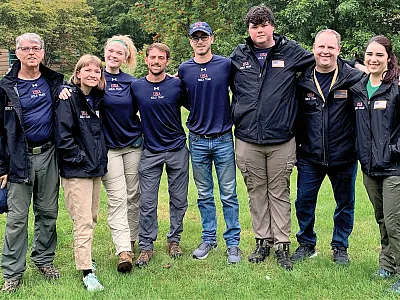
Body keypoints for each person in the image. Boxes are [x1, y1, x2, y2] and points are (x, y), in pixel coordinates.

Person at [230, 5, 314, 270]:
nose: (260, 30)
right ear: (249, 30)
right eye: (254, 26)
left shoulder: (291, 52)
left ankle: (282, 245)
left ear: (272, 26)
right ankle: (262, 242)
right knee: (256, 192)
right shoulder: (239, 55)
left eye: (264, 25)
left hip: (281, 139)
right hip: (247, 139)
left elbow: (325, 63)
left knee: (279, 192)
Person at [59, 35, 142, 273]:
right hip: (108, 149)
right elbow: (76, 90)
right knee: (117, 198)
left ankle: (132, 241)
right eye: (111, 51)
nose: (114, 55)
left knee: (133, 197)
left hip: (133, 146)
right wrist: (63, 88)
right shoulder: (96, 78)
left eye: (120, 53)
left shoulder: (131, 82)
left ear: (126, 57)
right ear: (105, 52)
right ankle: (123, 250)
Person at [291, 29, 363, 265]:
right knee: (303, 202)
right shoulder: (301, 80)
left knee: (345, 204)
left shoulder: (353, 78)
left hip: (344, 155)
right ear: (313, 48)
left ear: (338, 50)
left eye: (331, 47)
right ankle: (306, 243)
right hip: (309, 155)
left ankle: (340, 247)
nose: (325, 51)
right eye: (321, 46)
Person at [0, 33, 63, 292]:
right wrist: (1, 167)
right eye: (25, 49)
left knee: (48, 212)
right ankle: (12, 273)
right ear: (17, 53)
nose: (31, 53)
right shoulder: (5, 87)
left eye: (35, 48)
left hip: (48, 155)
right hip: (18, 159)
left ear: (43, 52)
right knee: (16, 218)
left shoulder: (53, 82)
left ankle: (44, 259)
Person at [178, 22, 241, 264]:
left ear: (212, 39)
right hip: (198, 140)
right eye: (196, 38)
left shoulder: (225, 65)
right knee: (204, 194)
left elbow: (240, 91)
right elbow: (182, 97)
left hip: (224, 137)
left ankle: (233, 244)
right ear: (191, 41)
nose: (200, 41)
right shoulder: (184, 69)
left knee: (228, 194)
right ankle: (208, 238)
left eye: (204, 37)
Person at [350, 35, 400, 293]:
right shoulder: (359, 88)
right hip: (369, 167)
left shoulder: (396, 87)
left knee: (394, 221)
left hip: (394, 168)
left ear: (389, 58)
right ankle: (387, 265)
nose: (373, 59)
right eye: (370, 54)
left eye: (380, 55)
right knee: (381, 218)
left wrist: (394, 150)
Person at [132, 43, 189, 267]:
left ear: (167, 61)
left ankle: (174, 240)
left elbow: (195, 106)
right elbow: (126, 115)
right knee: (147, 201)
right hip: (150, 151)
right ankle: (146, 246)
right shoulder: (136, 87)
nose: (156, 61)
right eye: (152, 57)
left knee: (179, 200)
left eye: (161, 58)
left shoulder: (177, 85)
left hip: (177, 149)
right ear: (146, 60)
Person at [56, 55, 107, 291]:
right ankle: (87, 271)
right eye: (87, 70)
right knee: (83, 220)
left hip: (95, 168)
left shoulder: (96, 99)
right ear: (77, 74)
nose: (92, 74)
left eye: (97, 71)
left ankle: (85, 257)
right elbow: (64, 138)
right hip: (77, 171)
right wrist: (82, 159)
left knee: (92, 217)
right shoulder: (68, 98)